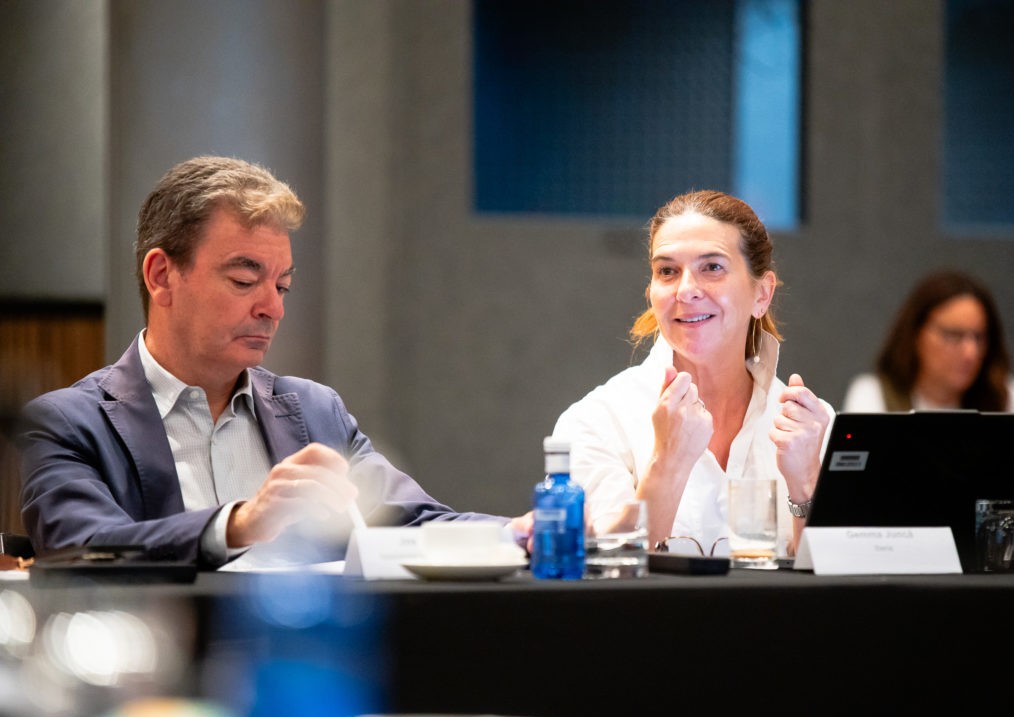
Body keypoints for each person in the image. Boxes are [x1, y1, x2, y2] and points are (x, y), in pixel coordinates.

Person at [17, 155, 529, 568]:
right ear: (161, 276)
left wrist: (520, 532)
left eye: (282, 285)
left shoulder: (314, 412)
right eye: (244, 281)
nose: (273, 308)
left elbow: (415, 522)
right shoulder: (67, 423)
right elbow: (85, 546)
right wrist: (239, 523)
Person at [551, 190, 833, 557]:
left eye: (712, 267)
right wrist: (667, 462)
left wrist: (806, 483)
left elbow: (842, 584)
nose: (686, 291)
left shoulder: (815, 429)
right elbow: (604, 570)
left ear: (762, 295)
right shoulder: (597, 421)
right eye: (667, 271)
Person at [841, 269, 1014, 505]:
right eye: (954, 336)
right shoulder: (872, 393)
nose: (971, 352)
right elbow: (857, 490)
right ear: (916, 334)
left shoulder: (1001, 390)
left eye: (979, 337)